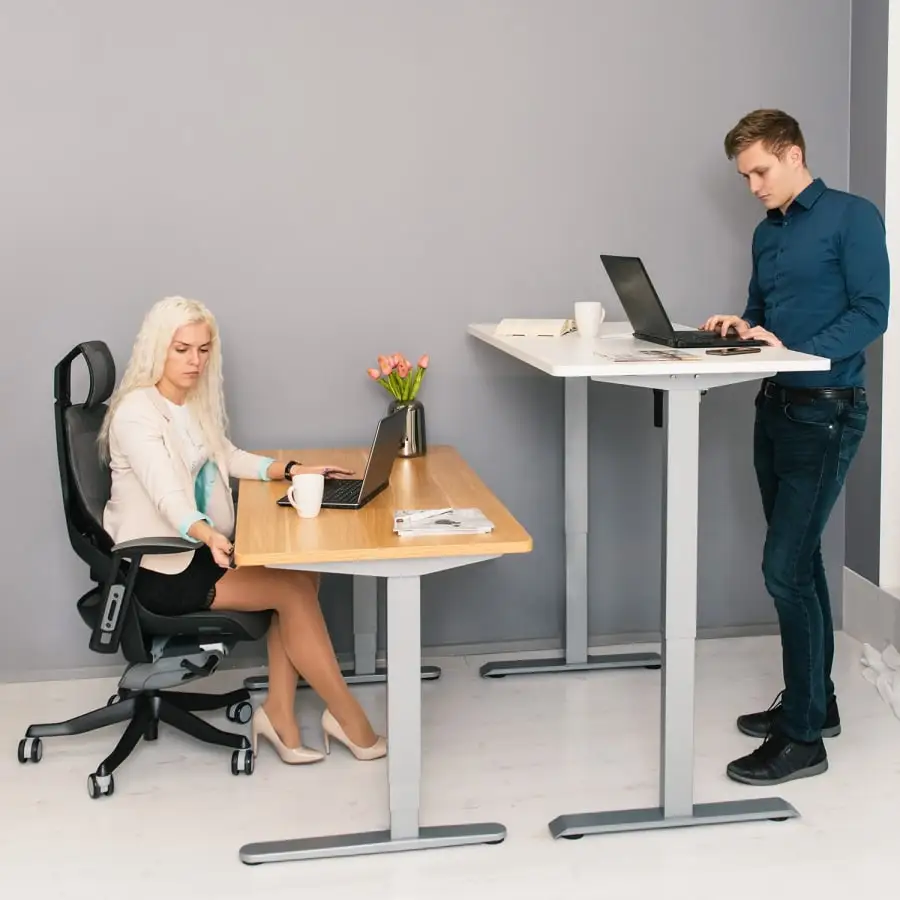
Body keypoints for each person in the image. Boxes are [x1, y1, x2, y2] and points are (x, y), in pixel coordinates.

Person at [99, 296, 386, 766]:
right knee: (292, 591)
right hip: (160, 567)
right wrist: (209, 534)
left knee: (302, 575)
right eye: (181, 349)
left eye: (203, 350)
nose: (194, 361)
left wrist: (291, 470)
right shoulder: (137, 413)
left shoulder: (189, 403)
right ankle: (350, 720)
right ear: (156, 348)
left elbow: (226, 455)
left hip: (197, 549)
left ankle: (280, 715)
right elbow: (166, 495)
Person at [701, 109, 889, 786]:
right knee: (800, 559)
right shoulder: (767, 233)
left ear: (793, 154)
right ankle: (819, 702)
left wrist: (799, 352)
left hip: (827, 411)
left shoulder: (852, 216)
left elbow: (872, 312)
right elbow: (762, 314)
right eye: (745, 177)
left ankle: (804, 739)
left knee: (784, 570)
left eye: (760, 171)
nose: (753, 186)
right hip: (774, 405)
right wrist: (740, 326)